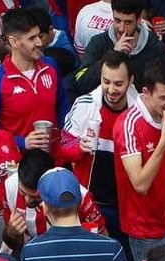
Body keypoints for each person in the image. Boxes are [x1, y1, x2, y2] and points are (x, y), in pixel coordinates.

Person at [116, 60, 165, 261]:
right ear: (146, 92)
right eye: (164, 98)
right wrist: (164, 139)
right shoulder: (128, 124)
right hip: (145, 230)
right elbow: (140, 184)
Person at [63, 48, 135, 239]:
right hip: (91, 204)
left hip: (128, 207)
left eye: (118, 84)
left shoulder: (140, 111)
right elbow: (62, 148)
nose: (111, 90)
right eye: (106, 82)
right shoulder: (84, 105)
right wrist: (78, 148)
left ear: (131, 81)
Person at [0, 8, 64, 150]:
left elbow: (63, 108)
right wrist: (22, 143)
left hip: (56, 160)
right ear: (13, 41)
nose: (39, 42)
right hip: (20, 166)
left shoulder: (51, 67)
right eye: (31, 38)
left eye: (38, 35)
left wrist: (68, 141)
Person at [73, 0, 165, 92]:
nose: (121, 28)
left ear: (139, 19)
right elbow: (81, 84)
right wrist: (112, 56)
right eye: (117, 20)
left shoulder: (156, 48)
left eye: (128, 22)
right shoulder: (98, 43)